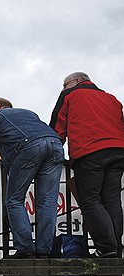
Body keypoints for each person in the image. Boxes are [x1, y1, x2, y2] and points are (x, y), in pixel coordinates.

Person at [49, 72, 124, 258]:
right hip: (118, 150)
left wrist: (54, 152)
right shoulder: (111, 98)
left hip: (89, 151)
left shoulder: (70, 95)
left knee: (90, 200)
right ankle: (116, 247)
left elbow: (57, 128)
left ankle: (107, 247)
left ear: (76, 82)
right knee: (112, 200)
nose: (63, 89)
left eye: (64, 84)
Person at [0, 98, 65, 258]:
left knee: (14, 200)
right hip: (55, 145)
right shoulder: (29, 113)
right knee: (48, 202)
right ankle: (44, 250)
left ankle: (25, 248)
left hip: (29, 148)